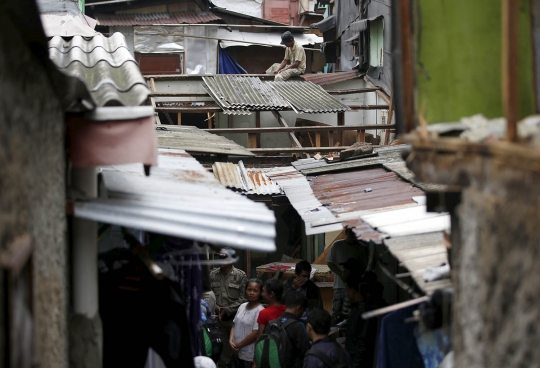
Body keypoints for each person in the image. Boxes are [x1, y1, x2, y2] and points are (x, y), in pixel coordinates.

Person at [210, 249, 248, 367]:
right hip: (218, 321)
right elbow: (208, 294)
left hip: (235, 320)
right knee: (221, 351)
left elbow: (244, 298)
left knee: (237, 351)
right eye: (220, 258)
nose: (221, 261)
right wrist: (216, 307)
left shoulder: (240, 276)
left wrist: (228, 309)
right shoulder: (213, 274)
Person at [344, 269, 387, 368]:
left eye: (346, 289)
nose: (346, 292)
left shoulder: (364, 313)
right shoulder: (359, 310)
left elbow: (362, 347)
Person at [257, 294, 311, 368]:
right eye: (303, 311)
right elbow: (306, 352)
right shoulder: (297, 326)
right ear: (298, 308)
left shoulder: (272, 323)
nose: (302, 314)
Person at [326, 229, 367, 324]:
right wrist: (341, 274)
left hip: (355, 287)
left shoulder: (362, 248)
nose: (354, 236)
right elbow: (330, 262)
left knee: (352, 313)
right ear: (346, 233)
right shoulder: (337, 245)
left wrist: (353, 274)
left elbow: (365, 266)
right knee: (336, 313)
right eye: (351, 233)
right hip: (340, 285)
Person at [230, 279, 265, 368]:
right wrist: (230, 341)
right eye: (249, 289)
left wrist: (238, 345)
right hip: (235, 350)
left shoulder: (260, 310)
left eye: (255, 291)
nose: (251, 293)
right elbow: (234, 324)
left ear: (260, 293)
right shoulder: (242, 306)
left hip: (248, 354)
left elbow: (255, 333)